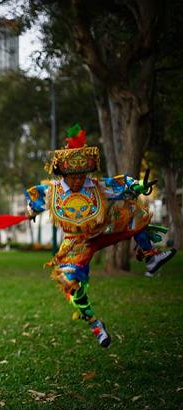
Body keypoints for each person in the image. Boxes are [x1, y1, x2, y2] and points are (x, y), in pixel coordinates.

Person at [25, 124, 176, 348]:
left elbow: (122, 184)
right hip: (75, 242)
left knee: (133, 210)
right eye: (72, 176)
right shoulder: (51, 191)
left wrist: (139, 185)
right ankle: (96, 325)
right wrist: (30, 211)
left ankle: (150, 255)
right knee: (69, 282)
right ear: (63, 173)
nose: (77, 180)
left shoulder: (96, 186)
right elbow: (33, 201)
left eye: (81, 175)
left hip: (104, 227)